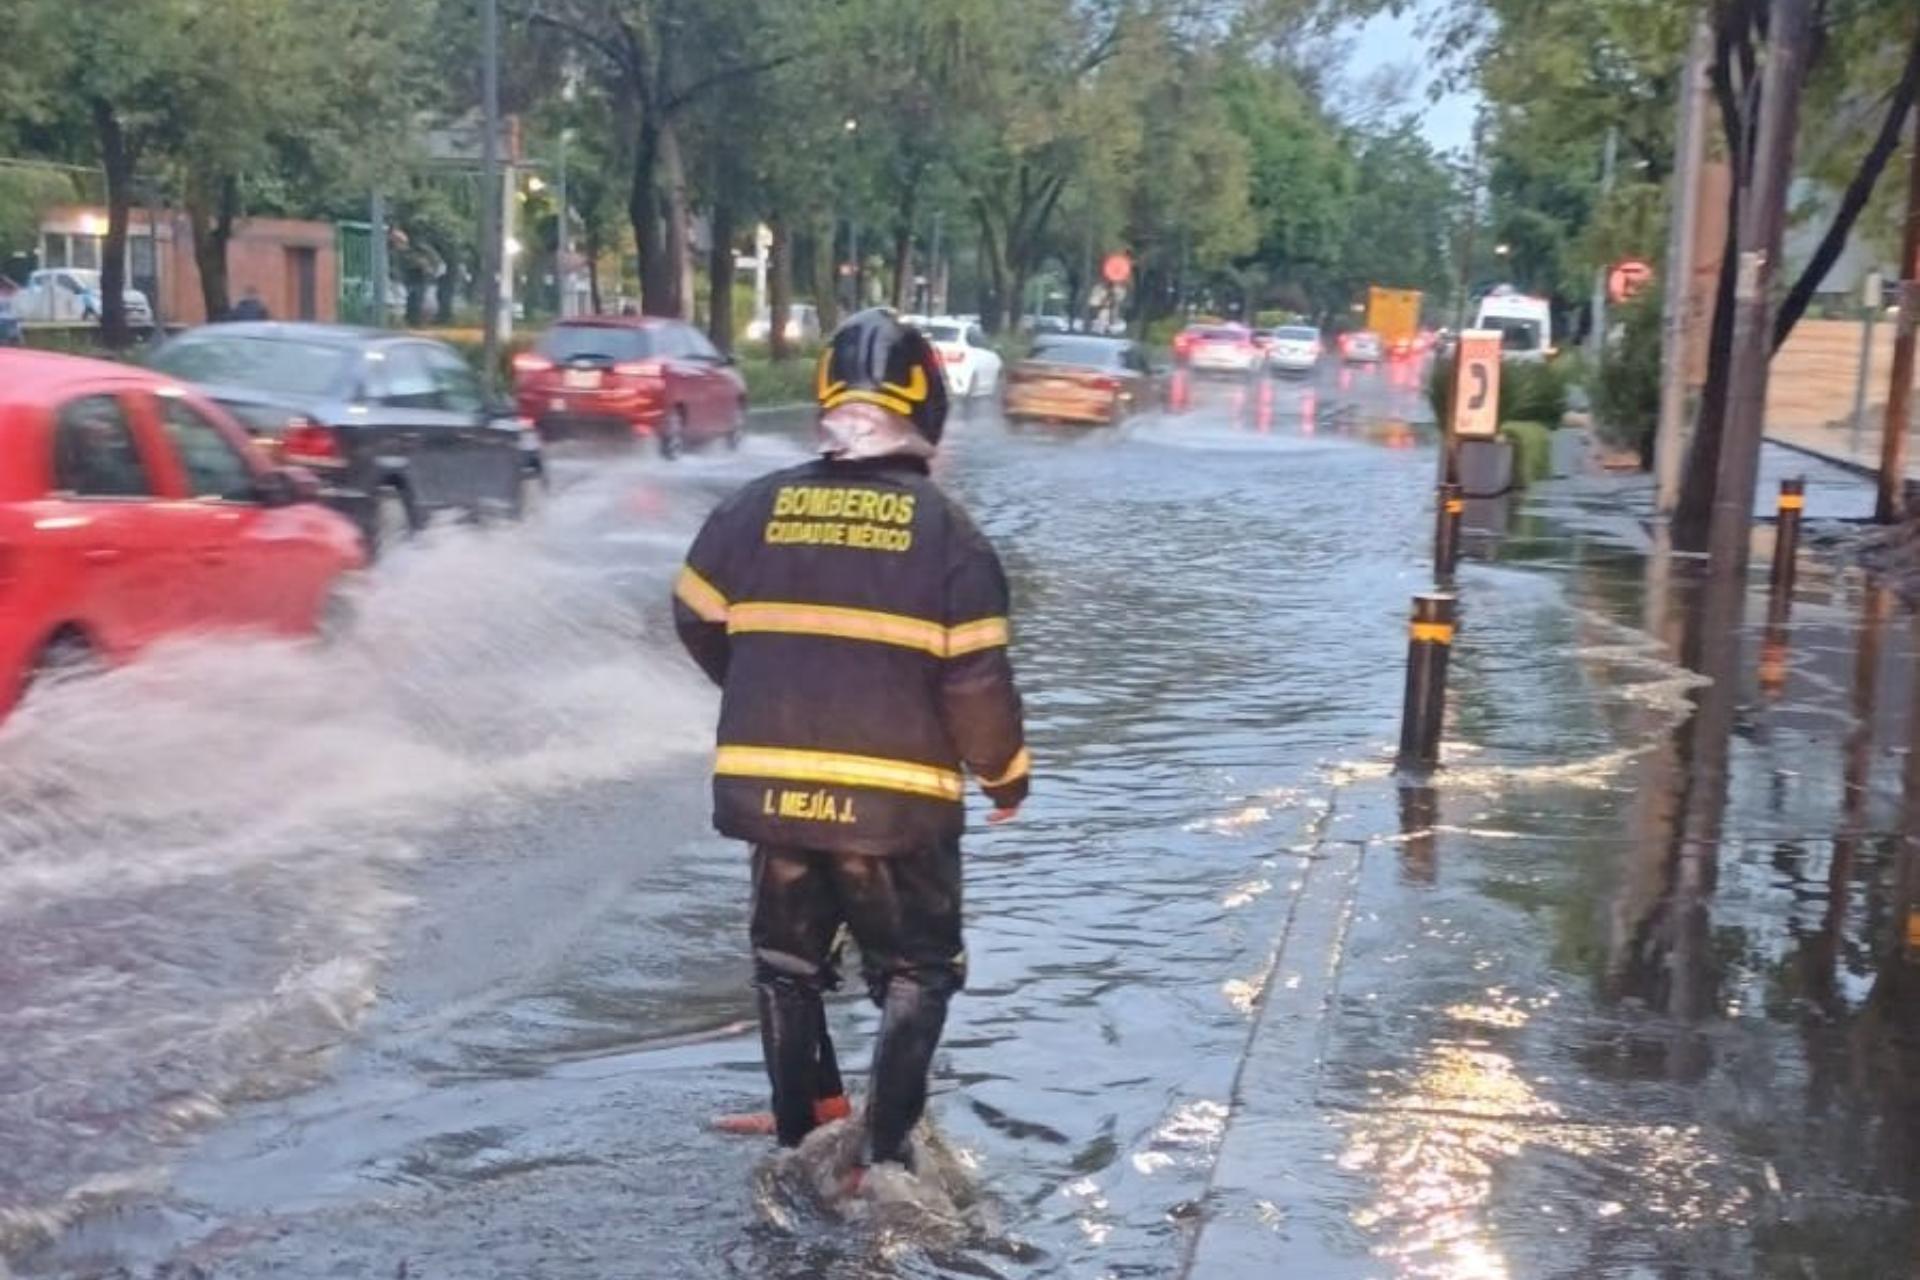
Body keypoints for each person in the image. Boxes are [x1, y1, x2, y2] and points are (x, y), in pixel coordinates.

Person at [673, 308, 1030, 1182]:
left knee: (788, 966)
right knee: (918, 970)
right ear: (928, 418)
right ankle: (883, 1150)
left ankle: (807, 1124)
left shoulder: (750, 510)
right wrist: (1004, 777)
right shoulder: (951, 537)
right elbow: (975, 686)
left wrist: (769, 695)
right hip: (898, 810)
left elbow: (694, 618)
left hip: (775, 790)